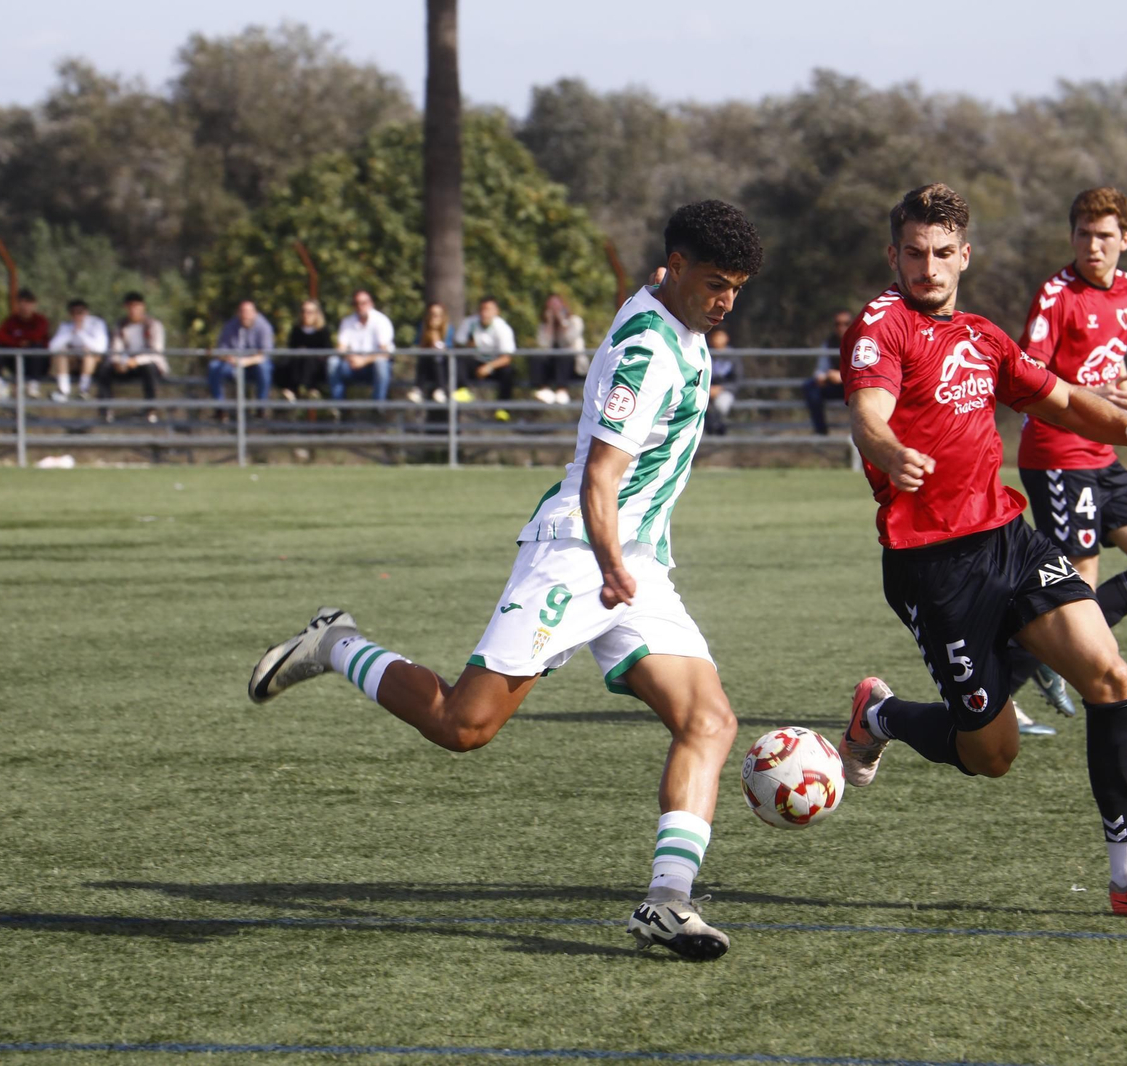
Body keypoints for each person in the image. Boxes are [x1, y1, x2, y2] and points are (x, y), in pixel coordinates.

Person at [246, 201, 764, 960]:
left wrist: (630, 567)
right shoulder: (649, 351)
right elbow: (600, 475)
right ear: (676, 268)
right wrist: (613, 566)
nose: (726, 302)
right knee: (465, 726)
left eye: (738, 288)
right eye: (715, 283)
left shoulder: (676, 317)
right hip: (583, 556)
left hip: (634, 563)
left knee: (710, 722)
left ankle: (666, 902)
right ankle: (338, 644)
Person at [835, 183, 1127, 917]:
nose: (929, 268)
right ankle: (880, 717)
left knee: (1108, 673)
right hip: (934, 567)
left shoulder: (981, 336)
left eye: (943, 254)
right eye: (914, 253)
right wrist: (888, 451)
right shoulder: (881, 327)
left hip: (1009, 540)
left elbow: (1064, 401)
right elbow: (868, 411)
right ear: (894, 255)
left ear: (965, 257)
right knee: (993, 756)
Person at [1003, 188, 1127, 733]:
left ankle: (1042, 646)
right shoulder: (1056, 295)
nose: (1093, 245)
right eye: (1083, 234)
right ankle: (1002, 691)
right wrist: (1099, 392)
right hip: (1057, 454)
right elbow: (1028, 376)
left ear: (1124, 240)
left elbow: (1113, 362)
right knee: (1074, 581)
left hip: (1104, 456)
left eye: (1104, 235)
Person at [98, 292, 169, 423]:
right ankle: (105, 410)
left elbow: (156, 352)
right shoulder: (121, 325)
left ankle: (151, 410)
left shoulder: (153, 325)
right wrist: (117, 362)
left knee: (149, 368)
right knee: (104, 369)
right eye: (130, 306)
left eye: (136, 306)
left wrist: (136, 360)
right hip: (127, 364)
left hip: (148, 364)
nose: (133, 310)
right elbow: (116, 347)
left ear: (143, 307)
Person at [328, 290, 394, 403]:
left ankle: (378, 407)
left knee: (381, 363)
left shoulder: (381, 321)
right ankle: (338, 406)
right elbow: (341, 348)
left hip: (373, 367)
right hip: (352, 365)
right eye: (356, 303)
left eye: (363, 303)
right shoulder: (347, 322)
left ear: (371, 303)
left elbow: (384, 352)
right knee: (332, 362)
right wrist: (351, 358)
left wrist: (363, 361)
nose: (360, 306)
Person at [0, 289, 51, 400]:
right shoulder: (12, 321)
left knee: (36, 346)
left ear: (34, 305)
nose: (25, 307)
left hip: (37, 364)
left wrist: (24, 340)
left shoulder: (40, 320)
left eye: (28, 303)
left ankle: (33, 384)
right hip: (16, 362)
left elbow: (37, 335)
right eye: (22, 303)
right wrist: (17, 342)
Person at [210, 299, 274, 407]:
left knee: (264, 368)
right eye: (243, 312)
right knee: (214, 366)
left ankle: (261, 407)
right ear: (238, 313)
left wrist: (246, 361)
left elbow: (265, 353)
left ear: (255, 313)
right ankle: (220, 407)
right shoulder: (230, 326)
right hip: (233, 364)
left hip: (255, 365)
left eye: (249, 312)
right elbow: (221, 350)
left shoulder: (264, 326)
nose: (246, 315)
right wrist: (230, 359)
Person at [47, 298, 110, 404]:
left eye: (80, 312)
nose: (77, 316)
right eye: (74, 313)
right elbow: (52, 347)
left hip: (93, 361)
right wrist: (71, 332)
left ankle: (83, 390)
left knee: (87, 351)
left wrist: (81, 333)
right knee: (61, 352)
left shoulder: (97, 324)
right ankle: (63, 391)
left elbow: (100, 348)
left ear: (86, 312)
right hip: (73, 362)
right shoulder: (66, 326)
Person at [456, 297, 517, 405]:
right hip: (474, 363)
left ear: (496, 312)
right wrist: (468, 345)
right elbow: (457, 345)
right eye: (482, 309)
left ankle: (503, 410)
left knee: (508, 371)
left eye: (488, 309)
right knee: (459, 360)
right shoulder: (469, 323)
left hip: (494, 366)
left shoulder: (503, 328)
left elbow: (507, 358)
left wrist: (488, 367)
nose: (484, 313)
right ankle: (462, 391)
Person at [803, 310, 852, 435]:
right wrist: (824, 377)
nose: (841, 327)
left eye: (845, 323)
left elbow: (867, 371)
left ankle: (861, 433)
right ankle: (820, 431)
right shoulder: (829, 343)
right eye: (837, 324)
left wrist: (842, 376)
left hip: (853, 385)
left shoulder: (860, 341)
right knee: (809, 387)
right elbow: (820, 369)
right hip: (835, 385)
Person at [532, 293, 585, 405]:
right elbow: (543, 346)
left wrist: (562, 322)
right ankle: (544, 388)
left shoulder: (575, 321)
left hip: (572, 366)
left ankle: (562, 390)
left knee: (564, 355)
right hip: (552, 366)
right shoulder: (543, 326)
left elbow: (569, 340)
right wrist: (550, 324)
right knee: (536, 357)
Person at [278, 299, 332, 402]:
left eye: (310, 312)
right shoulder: (296, 330)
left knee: (309, 359)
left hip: (316, 367)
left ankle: (312, 390)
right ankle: (291, 390)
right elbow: (291, 349)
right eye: (303, 311)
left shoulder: (323, 331)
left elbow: (327, 351)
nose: (306, 315)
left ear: (316, 314)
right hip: (297, 364)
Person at [411, 302, 453, 404]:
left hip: (442, 368)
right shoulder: (423, 327)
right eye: (432, 314)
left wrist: (435, 334)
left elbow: (445, 349)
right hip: (426, 367)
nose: (435, 318)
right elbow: (419, 346)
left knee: (436, 357)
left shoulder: (448, 328)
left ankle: (441, 389)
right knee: (425, 356)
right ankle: (418, 389)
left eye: (438, 315)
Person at [703, 326, 736, 436]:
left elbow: (737, 379)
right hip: (706, 389)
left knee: (721, 404)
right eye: (715, 336)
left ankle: (718, 427)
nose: (717, 339)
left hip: (725, 391)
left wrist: (722, 388)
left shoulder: (733, 356)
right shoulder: (705, 352)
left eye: (720, 336)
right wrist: (708, 388)